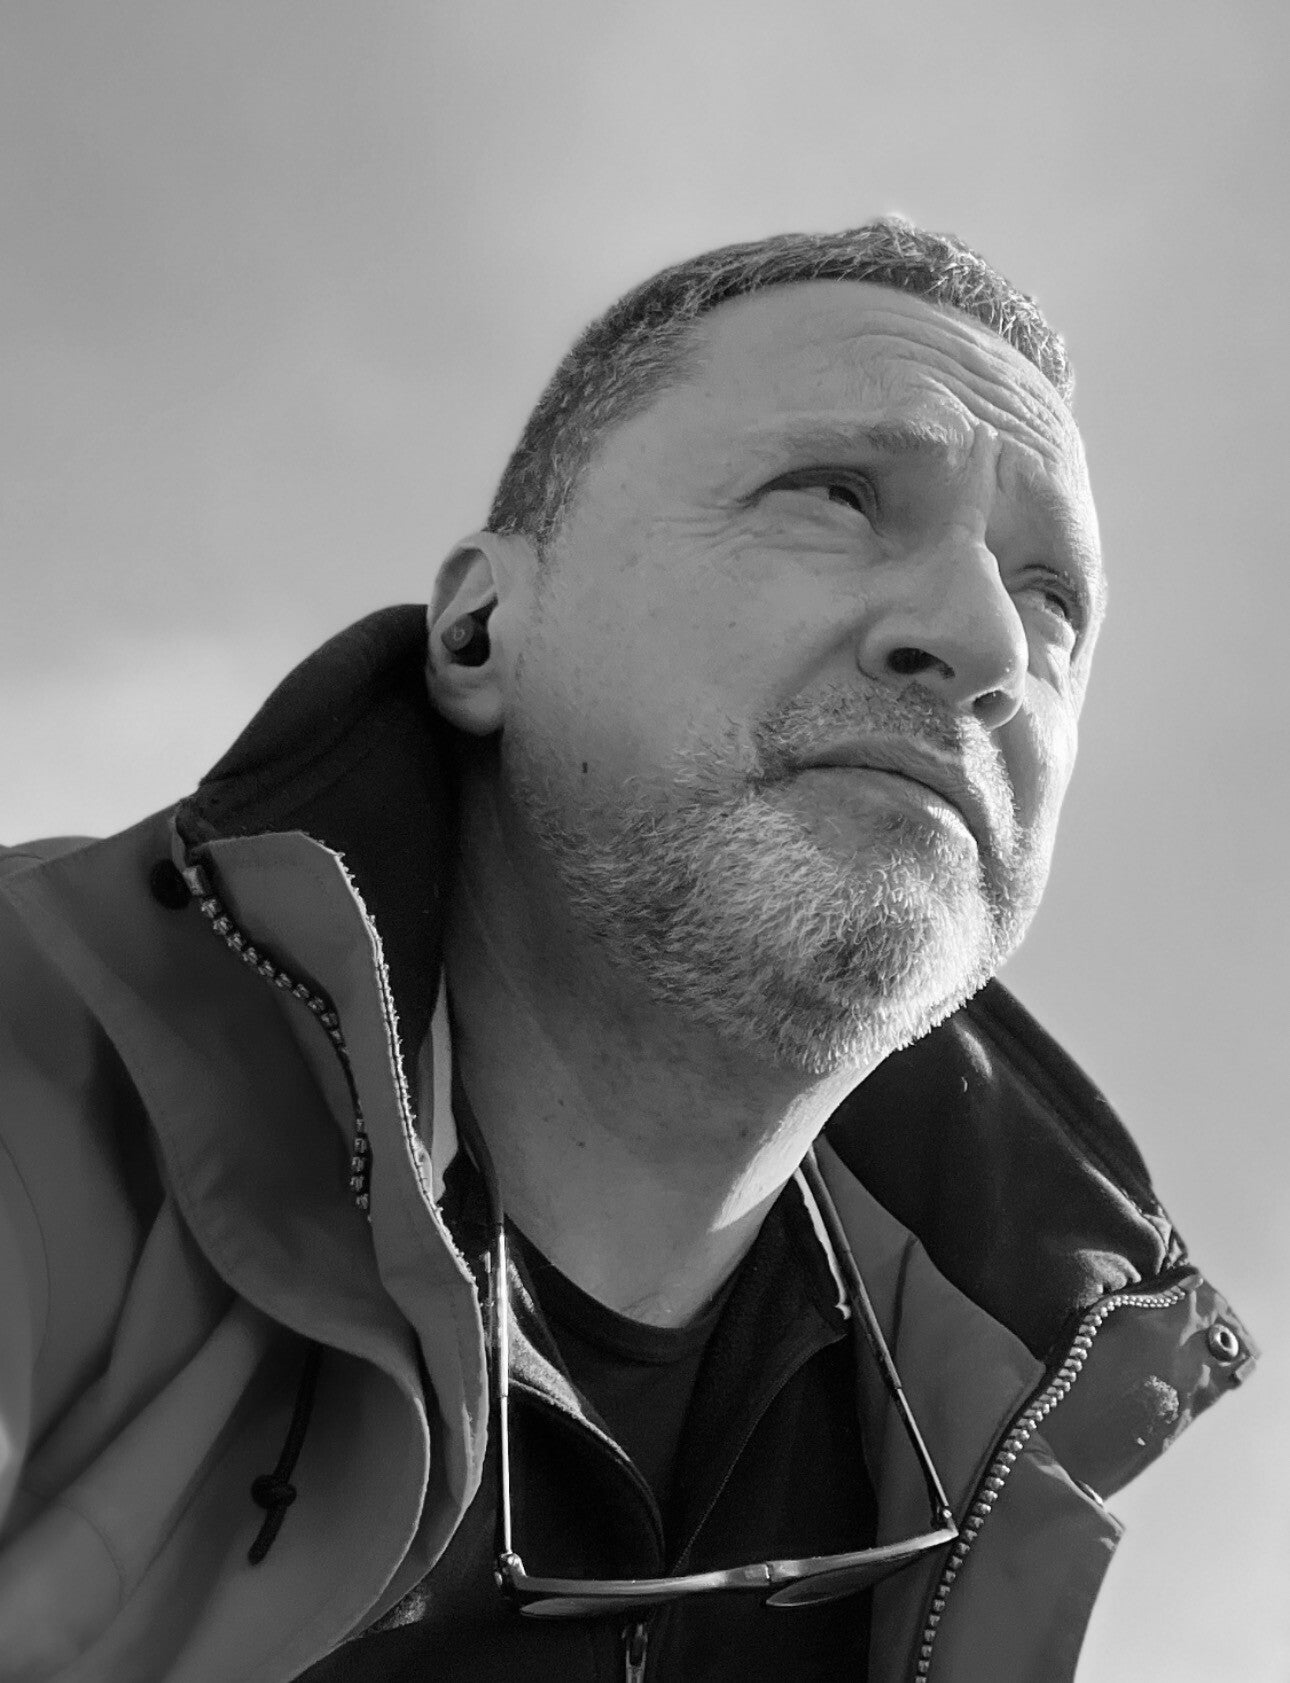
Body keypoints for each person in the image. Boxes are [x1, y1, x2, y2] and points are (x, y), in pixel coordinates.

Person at [0, 218, 1257, 1683]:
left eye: (1053, 602)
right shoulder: (42, 1054)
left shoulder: (998, 1436)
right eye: (837, 494)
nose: (983, 641)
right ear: (481, 628)